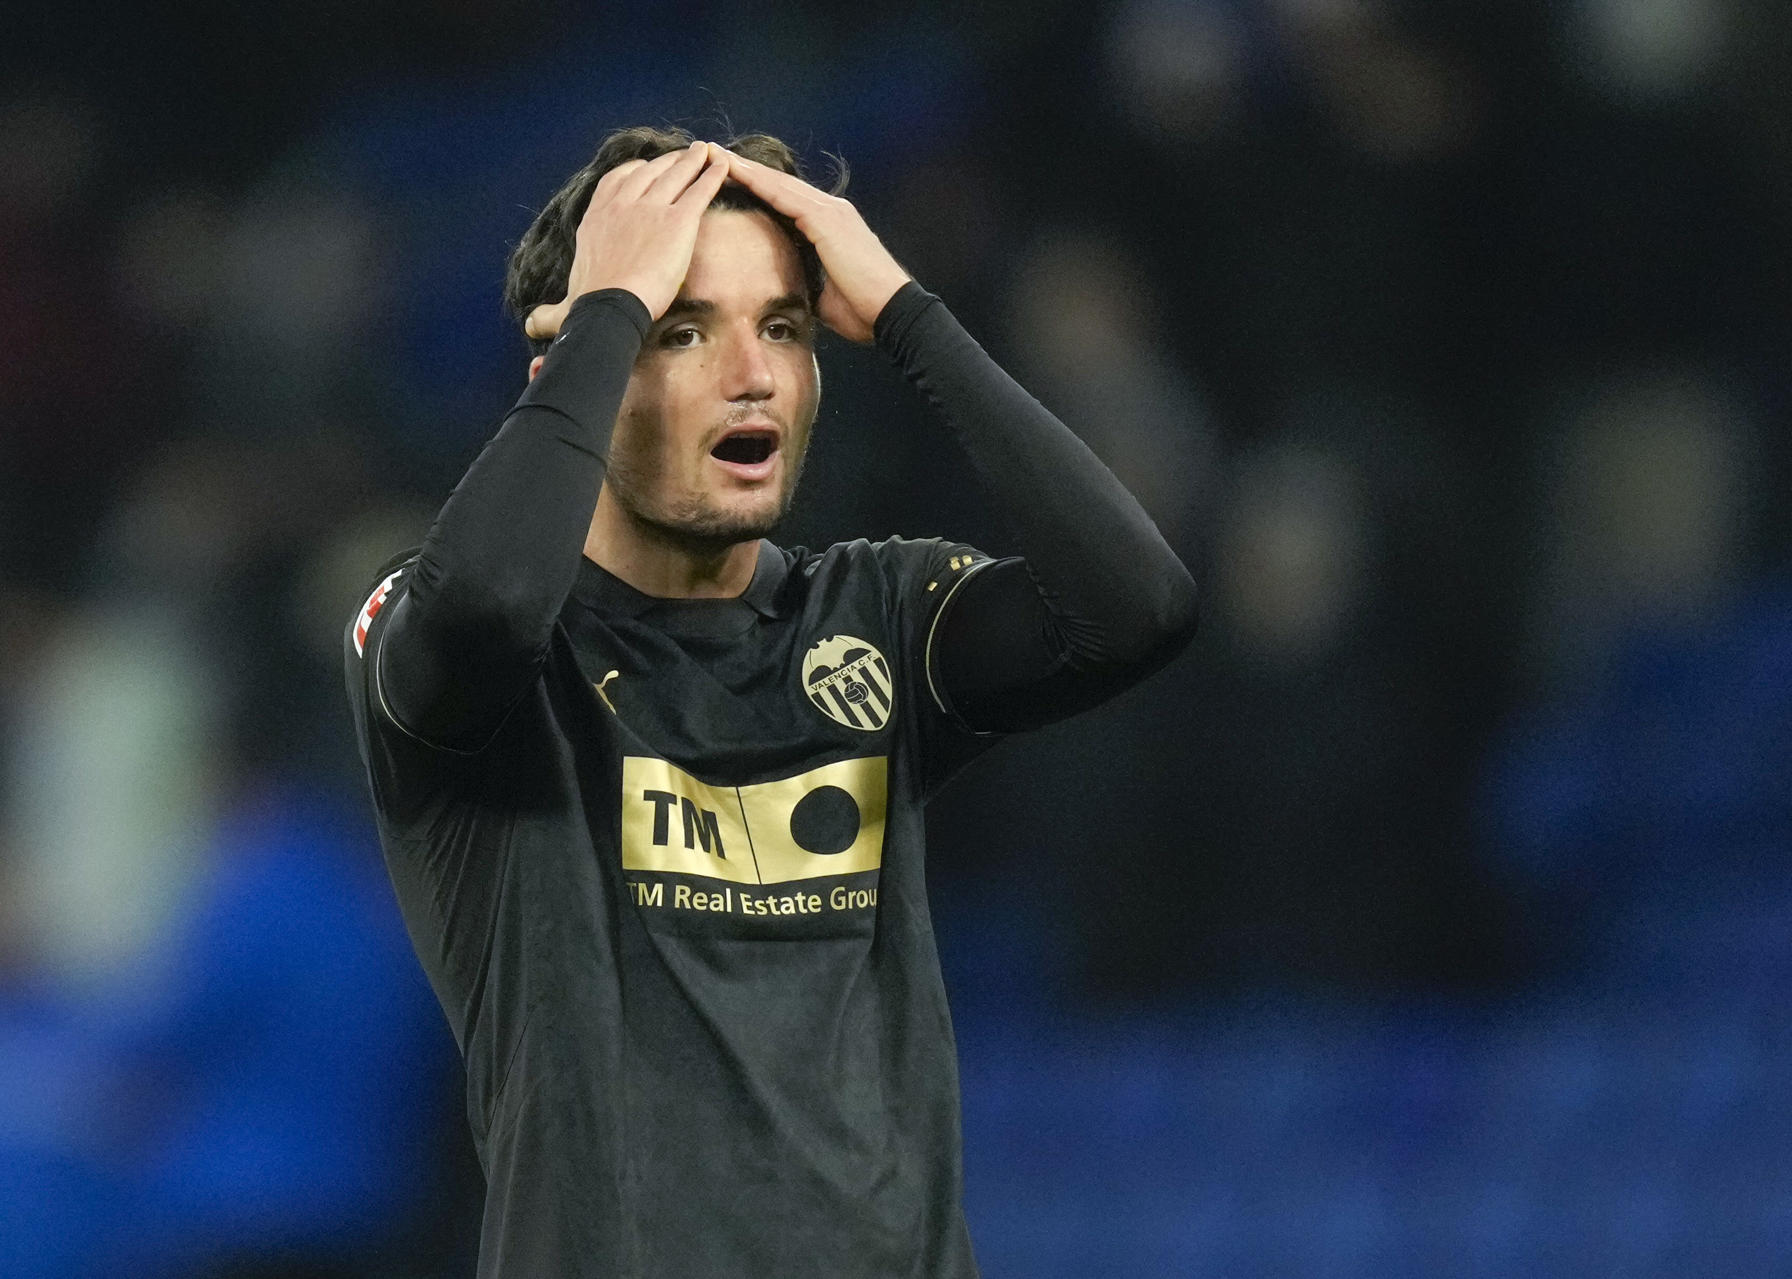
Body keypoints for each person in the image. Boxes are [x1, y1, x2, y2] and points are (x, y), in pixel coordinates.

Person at [343, 127, 1196, 1278]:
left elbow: (1136, 606)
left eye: (782, 329)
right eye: (679, 328)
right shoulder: (475, 648)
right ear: (579, 373)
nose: (752, 373)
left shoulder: (876, 611)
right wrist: (604, 310)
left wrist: (904, 310)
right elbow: (486, 602)